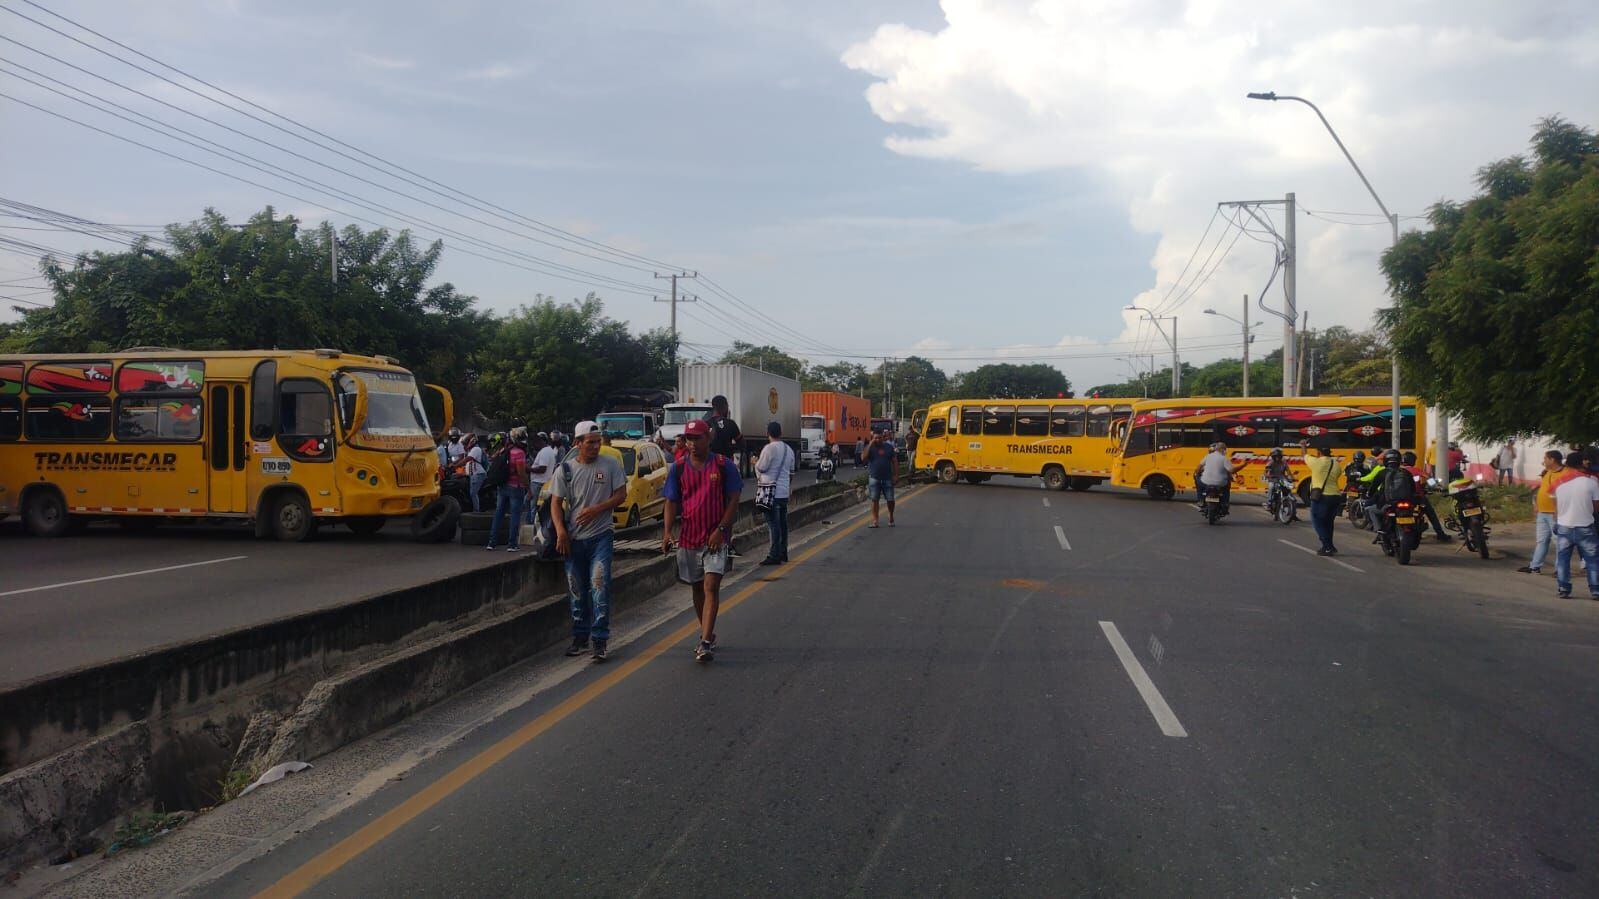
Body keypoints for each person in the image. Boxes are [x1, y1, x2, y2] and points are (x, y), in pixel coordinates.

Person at [663, 418, 743, 662]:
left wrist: (721, 529)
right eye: (689, 439)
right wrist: (667, 532)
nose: (693, 443)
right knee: (697, 587)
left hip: (715, 538)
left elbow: (734, 499)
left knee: (711, 586)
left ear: (708, 438)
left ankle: (705, 641)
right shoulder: (677, 468)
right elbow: (671, 501)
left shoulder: (722, 465)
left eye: (698, 438)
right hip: (689, 537)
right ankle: (707, 632)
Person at [551, 421, 628, 662]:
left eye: (598, 441)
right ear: (578, 443)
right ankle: (580, 636)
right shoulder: (565, 470)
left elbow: (620, 494)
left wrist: (598, 509)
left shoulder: (611, 465)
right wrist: (561, 531)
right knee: (576, 589)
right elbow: (555, 503)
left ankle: (600, 638)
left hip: (601, 536)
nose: (596, 446)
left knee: (598, 585)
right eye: (590, 442)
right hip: (574, 539)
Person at [1552, 450, 1599, 600]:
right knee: (1592, 560)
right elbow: (1596, 508)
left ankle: (1564, 588)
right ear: (1582, 464)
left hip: (1564, 526)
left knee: (1563, 559)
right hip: (1585, 526)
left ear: (1567, 465)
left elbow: (1556, 507)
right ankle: (1595, 590)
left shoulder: (1558, 483)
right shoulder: (1592, 482)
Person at [1520, 450, 1569, 575]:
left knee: (1558, 542)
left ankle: (1560, 569)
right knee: (1541, 541)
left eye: (1545, 458)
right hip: (1542, 512)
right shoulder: (1547, 473)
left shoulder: (1566, 473)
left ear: (1552, 460)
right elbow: (1542, 489)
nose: (1544, 461)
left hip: (1555, 513)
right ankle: (1535, 566)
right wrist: (1536, 504)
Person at [756, 421, 796, 565]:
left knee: (773, 524)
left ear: (768, 433)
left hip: (770, 492)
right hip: (783, 492)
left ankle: (774, 555)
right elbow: (791, 473)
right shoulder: (789, 450)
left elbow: (761, 467)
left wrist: (754, 461)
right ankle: (783, 552)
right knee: (783, 524)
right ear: (781, 432)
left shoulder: (768, 449)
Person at [485, 432, 528, 552]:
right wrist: (528, 488)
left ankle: (492, 543)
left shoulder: (503, 450)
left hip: (502, 486)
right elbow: (521, 473)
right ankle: (512, 544)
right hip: (516, 487)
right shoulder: (519, 453)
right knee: (515, 515)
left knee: (498, 514)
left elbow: (492, 459)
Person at [1402, 450, 1450, 541]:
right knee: (1431, 515)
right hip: (1417, 498)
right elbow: (1429, 479)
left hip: (1401, 498)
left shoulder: (1398, 470)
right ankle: (1440, 534)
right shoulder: (1416, 470)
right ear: (1413, 461)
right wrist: (1436, 486)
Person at [1304, 442, 1343, 555]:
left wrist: (1303, 446)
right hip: (1335, 496)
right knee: (1329, 522)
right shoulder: (1336, 464)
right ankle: (1328, 546)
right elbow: (1337, 475)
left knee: (1318, 522)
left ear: (1319, 453)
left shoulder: (1316, 462)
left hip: (1321, 496)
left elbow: (1304, 455)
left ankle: (1327, 546)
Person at [863, 428, 899, 528]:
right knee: (874, 500)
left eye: (880, 438)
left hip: (887, 478)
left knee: (890, 499)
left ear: (883, 438)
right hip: (874, 478)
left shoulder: (889, 447)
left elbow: (895, 461)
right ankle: (875, 520)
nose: (878, 440)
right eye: (875, 438)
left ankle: (891, 517)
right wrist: (870, 444)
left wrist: (896, 475)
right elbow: (863, 458)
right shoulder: (870, 448)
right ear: (872, 438)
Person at [1194, 442, 1240, 510]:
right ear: (1223, 450)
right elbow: (1230, 471)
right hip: (1220, 483)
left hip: (1206, 482)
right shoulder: (1224, 458)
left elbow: (1198, 468)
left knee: (1198, 484)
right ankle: (1225, 502)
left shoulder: (1207, 457)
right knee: (1226, 488)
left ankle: (1200, 500)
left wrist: (1197, 474)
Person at [707, 394, 741, 461]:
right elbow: (741, 444)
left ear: (713, 407)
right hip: (726, 462)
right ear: (725, 407)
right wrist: (731, 447)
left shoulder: (706, 424)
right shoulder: (731, 424)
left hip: (710, 463)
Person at [463, 433, 487, 513]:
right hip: (472, 475)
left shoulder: (476, 449)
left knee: (473, 493)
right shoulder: (470, 450)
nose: (465, 444)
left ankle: (476, 511)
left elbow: (468, 459)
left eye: (466, 442)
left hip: (478, 474)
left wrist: (456, 465)